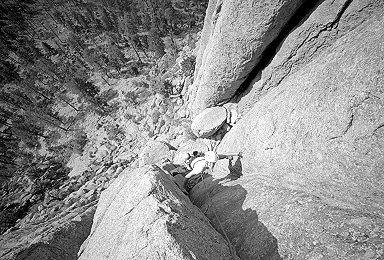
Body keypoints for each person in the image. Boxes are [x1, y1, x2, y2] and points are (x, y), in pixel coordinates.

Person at [178, 150, 242, 192]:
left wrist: (236, 154)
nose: (214, 164)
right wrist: (183, 188)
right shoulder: (198, 169)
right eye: (213, 163)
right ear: (210, 163)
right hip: (192, 165)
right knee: (194, 177)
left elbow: (221, 156)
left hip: (197, 159)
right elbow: (187, 177)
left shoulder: (211, 158)